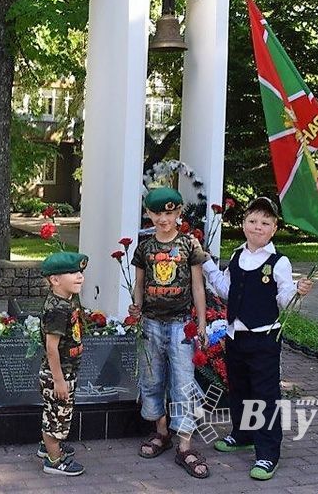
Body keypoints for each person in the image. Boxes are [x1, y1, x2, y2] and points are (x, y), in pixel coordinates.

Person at [202, 196, 313, 481]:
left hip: (263, 339)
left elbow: (284, 297)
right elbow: (226, 289)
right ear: (243, 224)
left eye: (265, 223)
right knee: (239, 388)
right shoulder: (238, 255)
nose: (257, 227)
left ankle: (267, 453)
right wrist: (207, 265)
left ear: (274, 228)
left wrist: (297, 292)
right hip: (235, 337)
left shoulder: (279, 262)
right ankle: (242, 434)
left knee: (264, 397)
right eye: (252, 221)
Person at [128, 187, 210, 479]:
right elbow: (139, 283)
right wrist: (136, 307)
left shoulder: (189, 244)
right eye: (157, 213)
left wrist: (200, 322)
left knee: (183, 381)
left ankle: (185, 444)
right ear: (149, 214)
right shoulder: (145, 247)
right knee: (152, 380)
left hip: (180, 325)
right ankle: (161, 432)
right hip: (150, 323)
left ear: (178, 214)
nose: (163, 219)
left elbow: (198, 286)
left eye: (170, 213)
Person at [37, 251, 89, 476]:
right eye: (72, 273)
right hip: (59, 374)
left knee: (56, 414)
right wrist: (58, 381)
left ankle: (48, 447)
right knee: (57, 418)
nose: (79, 277)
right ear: (55, 280)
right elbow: (51, 347)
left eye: (80, 272)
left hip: (66, 371)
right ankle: (54, 461)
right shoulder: (57, 308)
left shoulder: (66, 299)